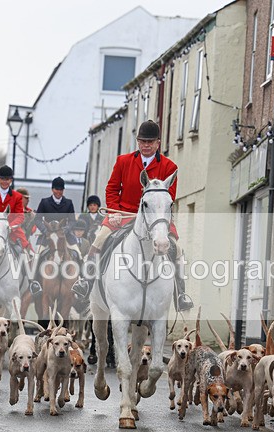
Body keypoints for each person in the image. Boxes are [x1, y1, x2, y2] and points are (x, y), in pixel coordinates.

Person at [72, 120, 193, 312]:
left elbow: (169, 198)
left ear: (158, 143)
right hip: (122, 214)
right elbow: (112, 189)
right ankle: (85, 282)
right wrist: (113, 212)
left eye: (150, 142)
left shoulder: (169, 167)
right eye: (143, 141)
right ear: (137, 142)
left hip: (156, 219)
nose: (146, 145)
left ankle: (181, 294)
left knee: (176, 249)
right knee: (99, 240)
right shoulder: (123, 161)